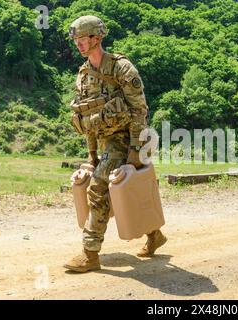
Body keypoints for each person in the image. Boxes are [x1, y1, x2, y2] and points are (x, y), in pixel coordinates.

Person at [64, 15, 167, 273]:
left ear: (96, 37)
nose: (78, 44)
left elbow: (139, 111)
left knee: (98, 188)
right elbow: (84, 115)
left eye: (82, 38)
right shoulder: (84, 74)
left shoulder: (122, 68)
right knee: (123, 190)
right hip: (104, 139)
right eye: (75, 39)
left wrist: (135, 153)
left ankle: (90, 254)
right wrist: (91, 156)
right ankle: (154, 234)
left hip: (126, 137)